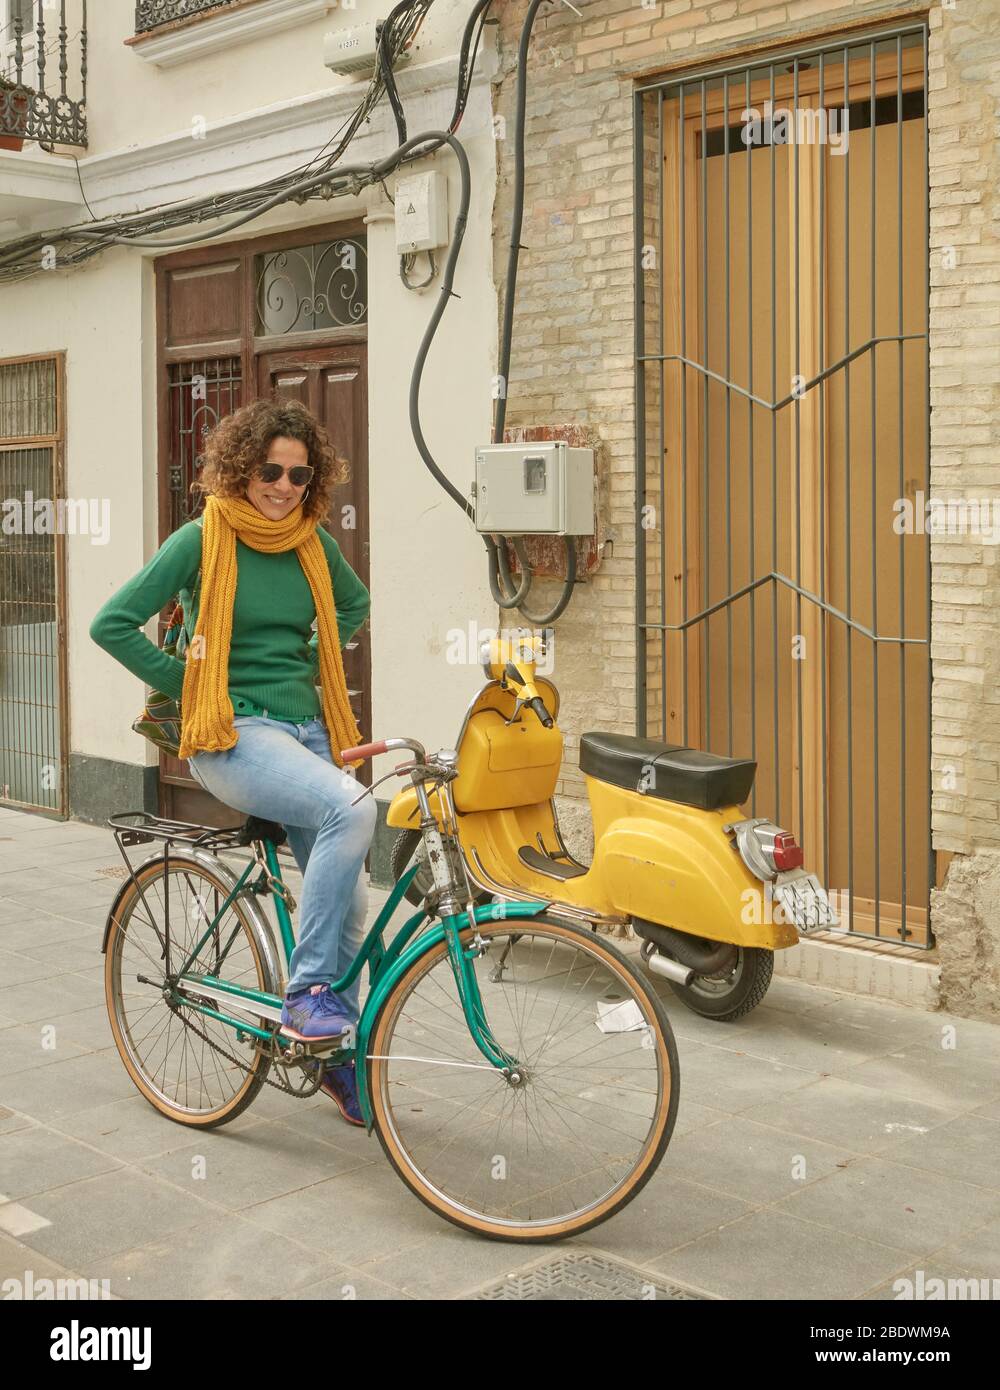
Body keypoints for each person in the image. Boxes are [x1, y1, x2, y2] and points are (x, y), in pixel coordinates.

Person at [89, 398, 376, 1125]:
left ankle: (332, 1057)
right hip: (232, 735)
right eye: (270, 470)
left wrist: (308, 660)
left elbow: (354, 605)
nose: (283, 486)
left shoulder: (315, 543)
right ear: (241, 469)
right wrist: (192, 683)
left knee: (352, 913)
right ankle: (308, 996)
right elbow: (110, 623)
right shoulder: (201, 537)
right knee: (354, 807)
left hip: (307, 731)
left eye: (299, 474)